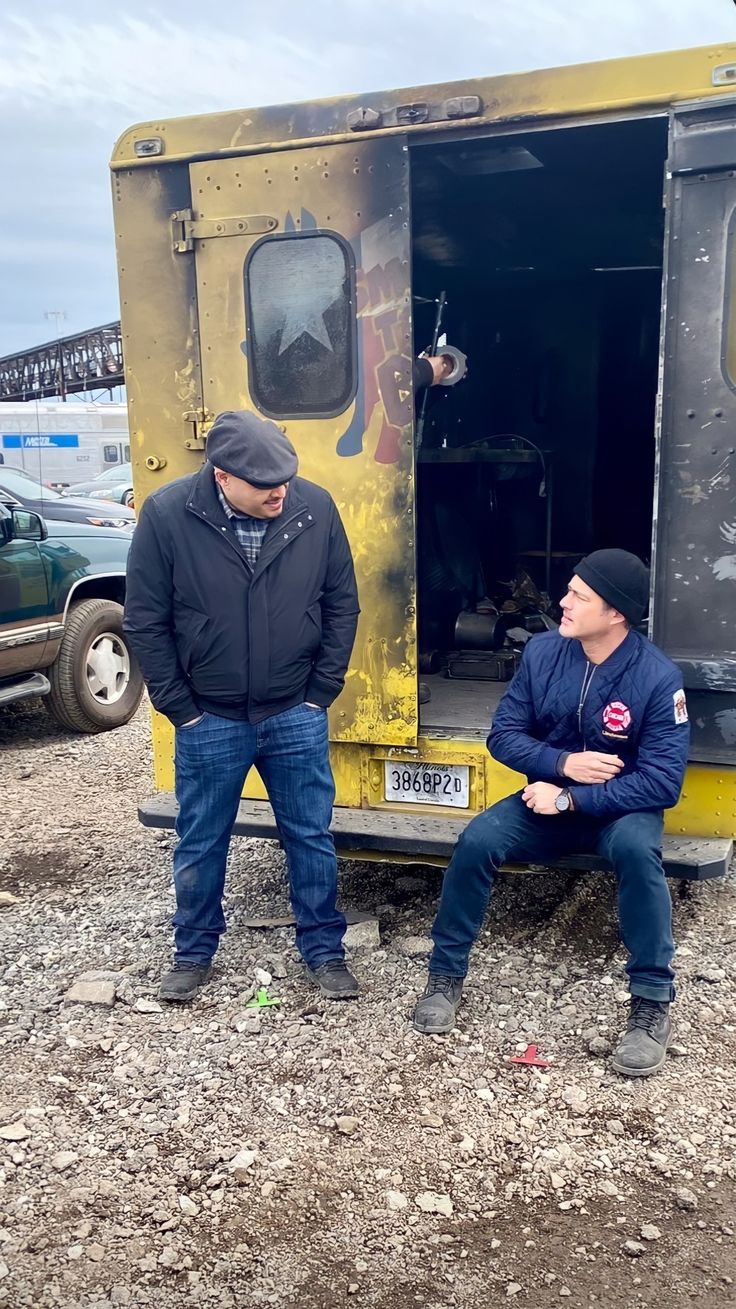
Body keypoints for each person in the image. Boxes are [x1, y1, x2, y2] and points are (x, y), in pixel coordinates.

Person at [413, 549, 690, 1078]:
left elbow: (661, 783)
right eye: (569, 590)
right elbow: (503, 736)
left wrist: (572, 798)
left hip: (620, 811)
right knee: (477, 841)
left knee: (639, 854)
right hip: (545, 800)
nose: (562, 601)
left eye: (579, 596)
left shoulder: (658, 678)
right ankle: (444, 978)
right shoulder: (541, 653)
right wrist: (562, 765)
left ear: (616, 613)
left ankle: (651, 1005)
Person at [124, 410, 360, 1003]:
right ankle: (193, 952)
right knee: (201, 839)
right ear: (222, 476)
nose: (280, 493)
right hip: (210, 716)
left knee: (310, 835)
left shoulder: (314, 507)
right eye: (264, 486)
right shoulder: (168, 514)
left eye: (285, 479)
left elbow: (341, 604)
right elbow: (145, 620)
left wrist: (320, 694)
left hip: (294, 712)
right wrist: (180, 708)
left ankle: (324, 951)